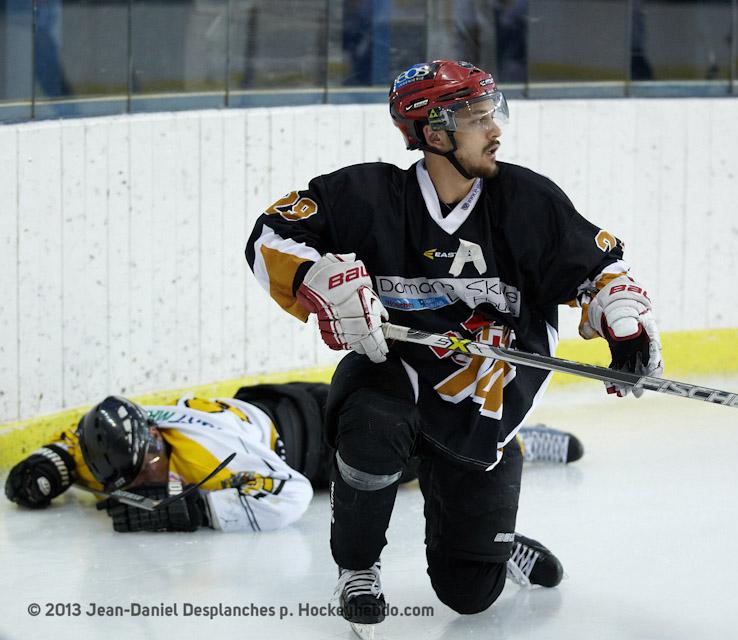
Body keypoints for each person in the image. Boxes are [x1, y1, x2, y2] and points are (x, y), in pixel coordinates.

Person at [244, 59, 662, 629]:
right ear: (435, 134)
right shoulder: (368, 197)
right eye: (476, 118)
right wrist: (317, 279)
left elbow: (600, 270)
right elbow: (271, 234)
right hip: (394, 375)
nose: (495, 129)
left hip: (484, 401)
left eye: (493, 113)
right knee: (372, 424)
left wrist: (622, 315)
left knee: (469, 595)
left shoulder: (525, 201)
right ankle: (358, 567)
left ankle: (496, 544)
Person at [4, 381, 583, 534]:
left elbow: (293, 495)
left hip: (310, 442)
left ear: (157, 440)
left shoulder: (212, 453)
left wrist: (199, 511)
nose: (146, 478)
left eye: (150, 466)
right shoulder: (131, 443)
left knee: (418, 452)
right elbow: (83, 442)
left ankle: (519, 441)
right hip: (279, 406)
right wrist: (54, 464)